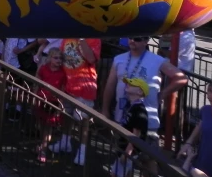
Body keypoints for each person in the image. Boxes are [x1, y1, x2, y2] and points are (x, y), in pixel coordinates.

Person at [102, 37, 187, 151]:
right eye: (130, 37)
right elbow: (110, 86)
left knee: (147, 158)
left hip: (146, 120)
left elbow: (181, 78)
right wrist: (105, 109)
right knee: (121, 152)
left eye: (137, 39)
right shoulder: (118, 59)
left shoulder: (157, 60)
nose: (132, 41)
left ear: (146, 41)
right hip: (122, 117)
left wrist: (162, 94)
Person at [49, 38, 101, 166]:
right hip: (67, 84)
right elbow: (61, 57)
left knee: (83, 122)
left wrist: (81, 39)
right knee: (66, 116)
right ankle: (65, 142)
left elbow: (91, 59)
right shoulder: (67, 37)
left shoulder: (94, 39)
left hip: (85, 87)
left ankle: (82, 151)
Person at [110, 77, 149, 177]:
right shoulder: (131, 105)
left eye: (132, 84)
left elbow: (136, 134)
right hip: (123, 147)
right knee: (125, 173)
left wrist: (127, 153)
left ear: (140, 91)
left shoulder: (139, 110)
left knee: (115, 174)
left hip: (128, 150)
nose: (128, 85)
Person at [36, 48, 66, 163]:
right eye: (56, 57)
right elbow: (37, 84)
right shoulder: (43, 69)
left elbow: (63, 91)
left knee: (48, 128)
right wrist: (35, 98)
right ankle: (41, 146)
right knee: (41, 126)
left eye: (60, 58)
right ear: (50, 58)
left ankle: (43, 149)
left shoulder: (63, 73)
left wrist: (60, 106)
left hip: (53, 102)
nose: (59, 60)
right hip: (42, 99)